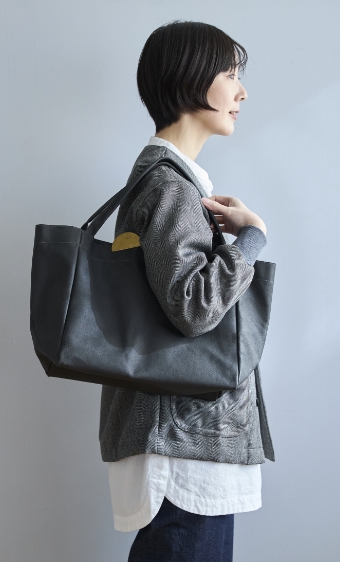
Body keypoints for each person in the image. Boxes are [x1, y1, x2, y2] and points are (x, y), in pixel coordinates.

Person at [99, 21, 274, 562]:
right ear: (191, 80)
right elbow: (195, 307)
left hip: (178, 439)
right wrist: (252, 238)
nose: (242, 92)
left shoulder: (168, 183)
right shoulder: (170, 187)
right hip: (184, 444)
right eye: (230, 74)